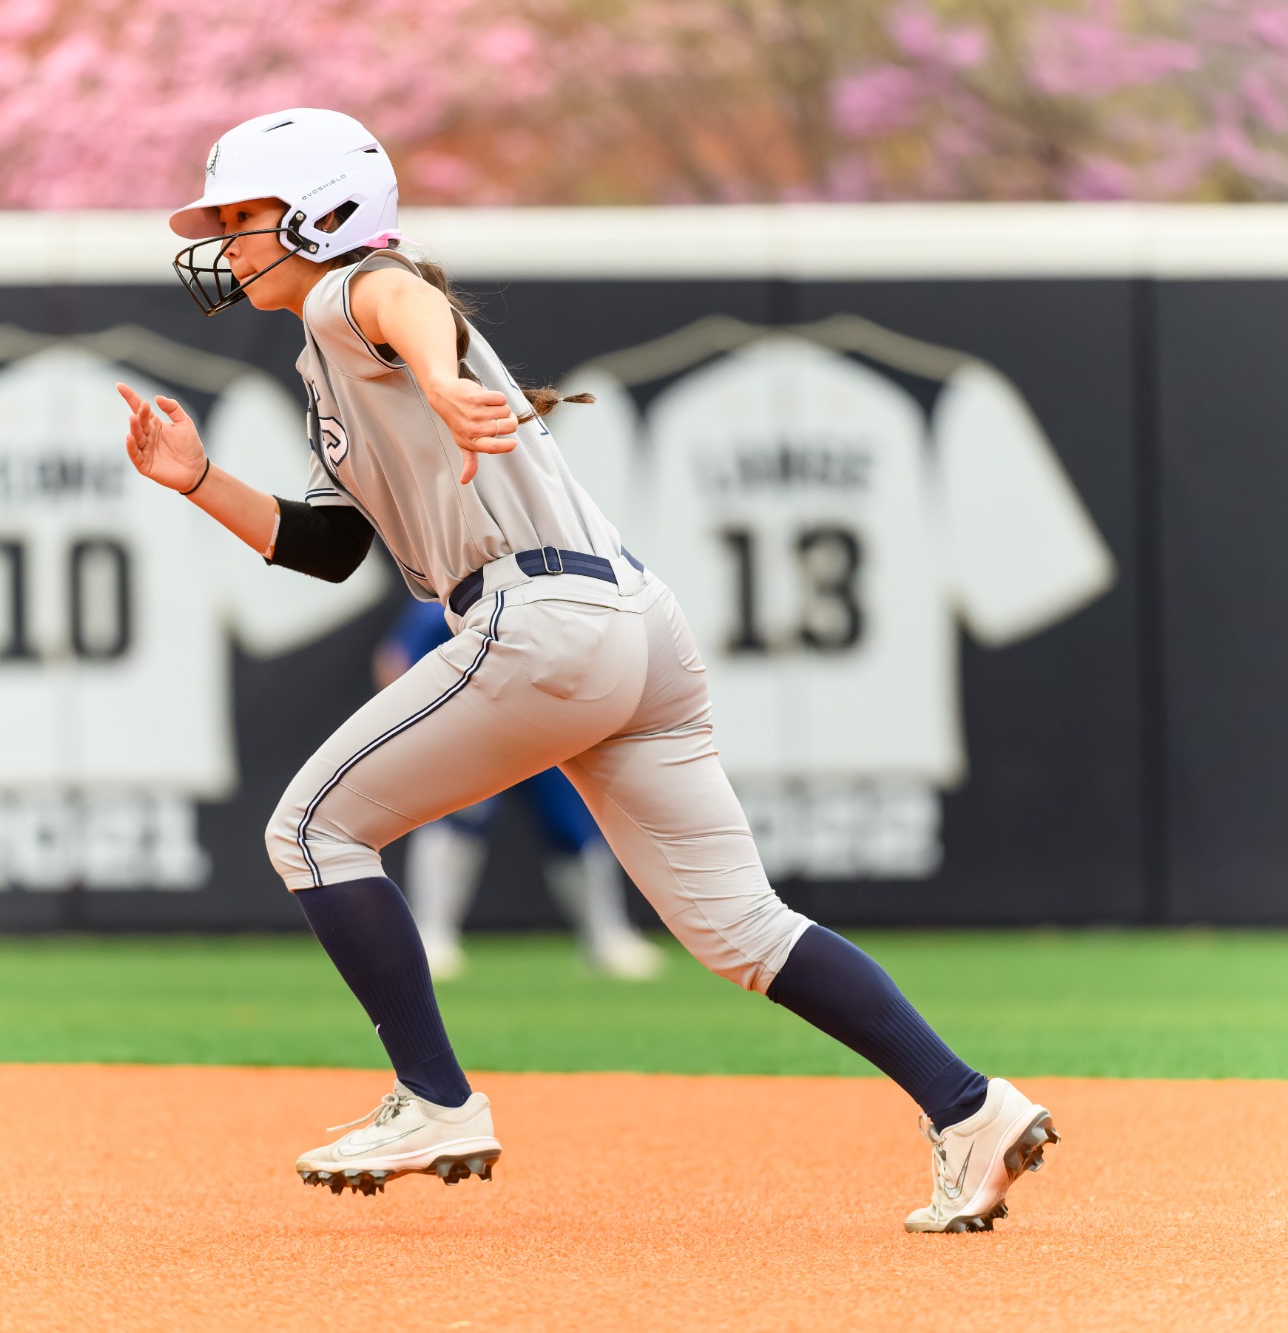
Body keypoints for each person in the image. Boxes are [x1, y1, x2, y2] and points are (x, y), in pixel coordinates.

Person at [118, 108, 1057, 1232]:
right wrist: (198, 480)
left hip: (540, 620)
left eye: (243, 215)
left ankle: (434, 1100)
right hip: (632, 624)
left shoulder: (349, 292)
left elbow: (401, 297)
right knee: (741, 930)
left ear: (324, 216)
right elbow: (326, 548)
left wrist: (442, 376)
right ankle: (970, 1108)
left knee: (312, 831)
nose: (224, 240)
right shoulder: (333, 361)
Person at [373, 597, 664, 981]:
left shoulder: (561, 598)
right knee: (457, 819)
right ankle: (432, 936)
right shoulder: (459, 600)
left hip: (545, 733)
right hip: (472, 734)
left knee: (571, 826)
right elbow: (395, 659)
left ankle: (607, 937)